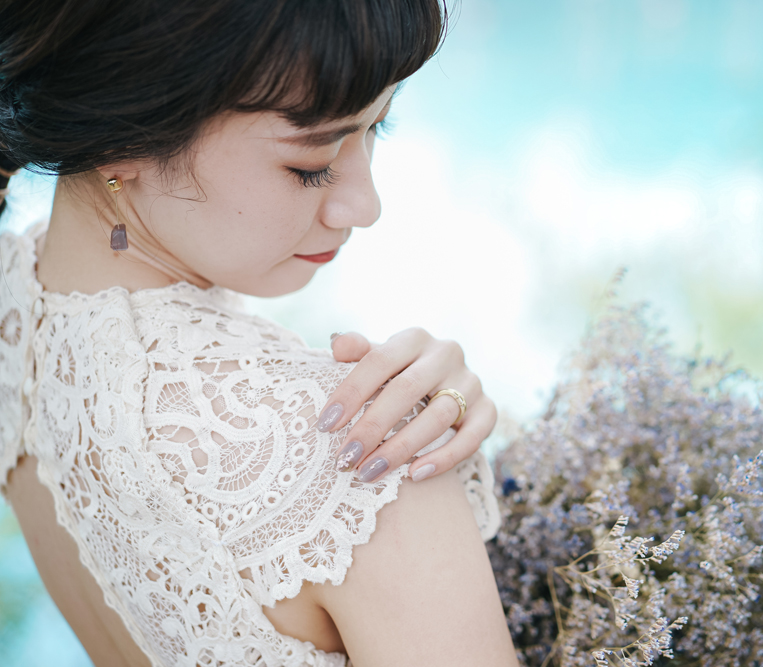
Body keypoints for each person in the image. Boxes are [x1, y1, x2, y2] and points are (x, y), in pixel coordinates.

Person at [0, 0, 518, 665]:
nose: (365, 205)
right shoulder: (355, 458)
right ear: (119, 141)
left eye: (377, 128)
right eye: (311, 163)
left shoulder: (15, 311)